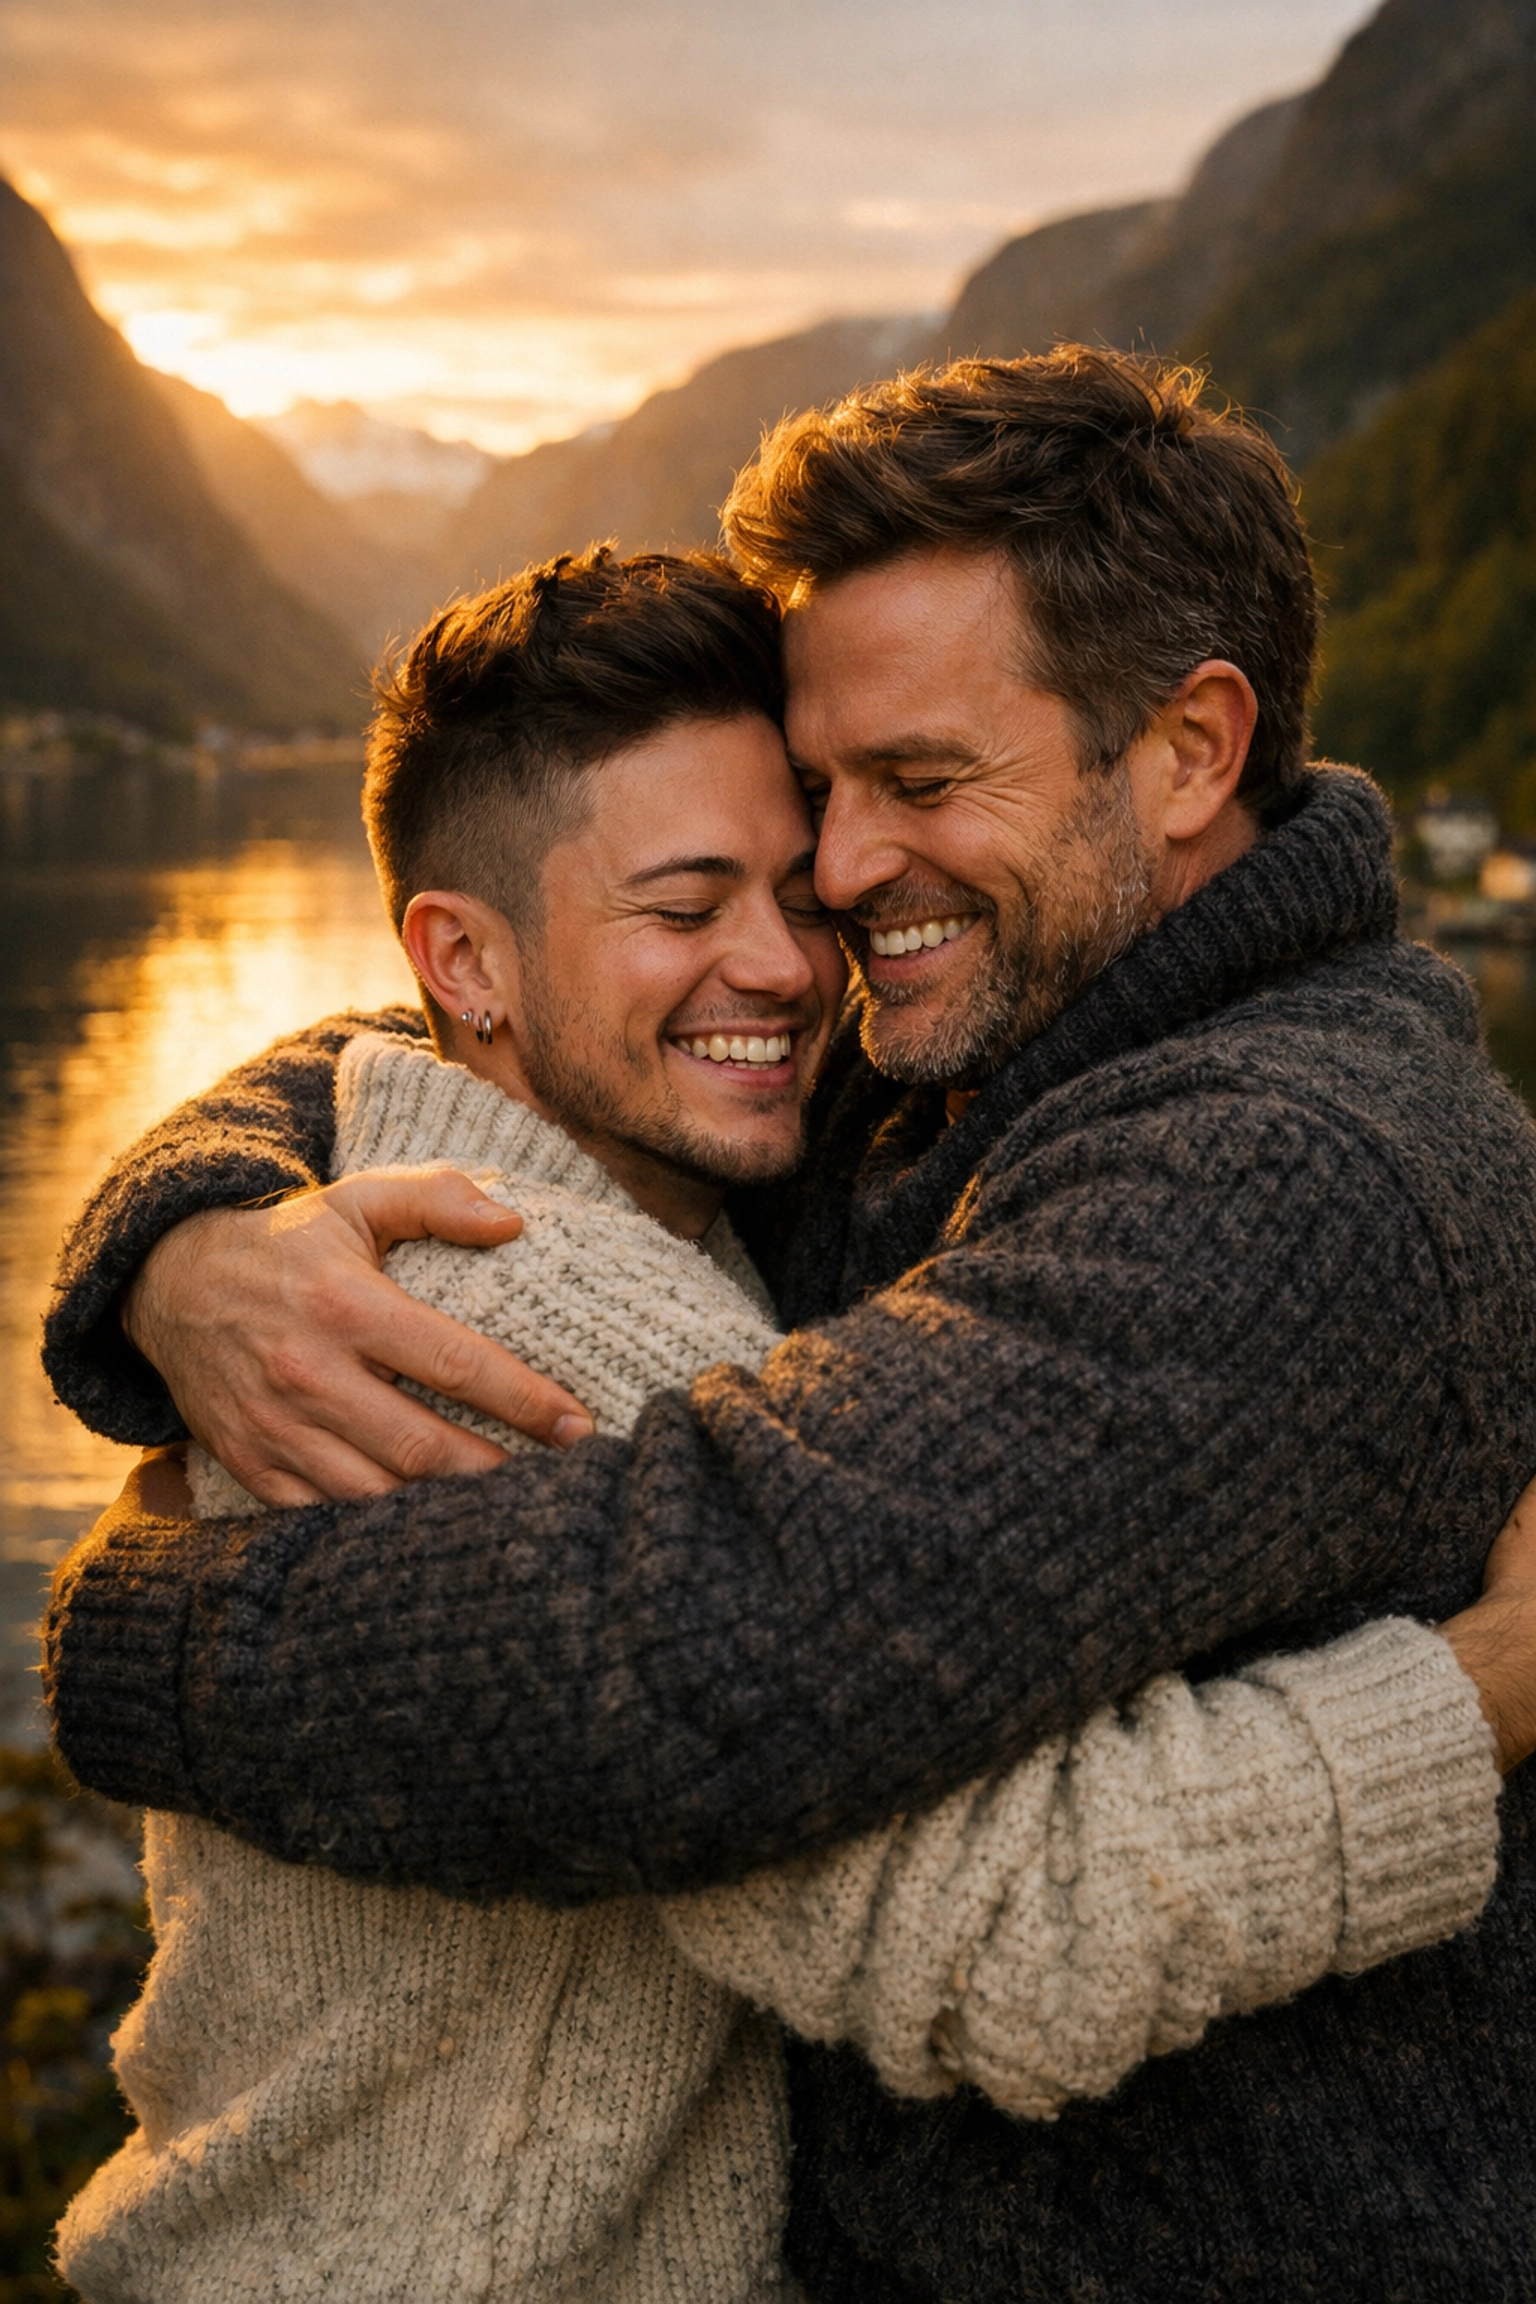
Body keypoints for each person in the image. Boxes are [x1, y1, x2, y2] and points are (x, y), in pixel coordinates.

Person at [41, 351, 1536, 2298]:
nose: (829, 890)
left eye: (917, 784)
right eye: (818, 796)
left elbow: (718, 1661)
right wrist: (193, 1224)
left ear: (1187, 750)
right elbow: (433, 1041)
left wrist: (141, 1641)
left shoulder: (1269, 1165)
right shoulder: (972, 1049)